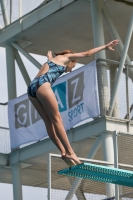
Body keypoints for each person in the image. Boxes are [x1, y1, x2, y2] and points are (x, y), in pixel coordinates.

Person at [27, 39, 119, 166]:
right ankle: (70, 152)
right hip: (43, 84)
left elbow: (49, 64)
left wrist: (49, 57)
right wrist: (105, 46)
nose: (70, 70)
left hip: (31, 88)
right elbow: (88, 53)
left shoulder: (53, 59)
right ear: (71, 61)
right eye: (73, 66)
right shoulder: (66, 57)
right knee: (57, 119)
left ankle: (63, 151)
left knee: (48, 122)